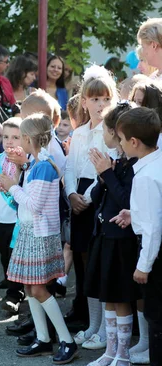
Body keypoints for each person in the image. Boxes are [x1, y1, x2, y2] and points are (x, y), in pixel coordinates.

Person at [0, 113, 78, 364]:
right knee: (30, 288)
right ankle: (42, 339)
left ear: (30, 139)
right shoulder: (36, 163)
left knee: (39, 288)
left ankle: (67, 341)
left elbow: (35, 204)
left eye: (21, 136)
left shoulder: (43, 166)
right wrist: (19, 171)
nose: (18, 142)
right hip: (31, 232)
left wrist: (11, 185)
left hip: (40, 234)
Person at [83, 101, 140, 366]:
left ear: (116, 132)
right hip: (105, 235)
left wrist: (107, 173)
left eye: (105, 129)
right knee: (108, 296)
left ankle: (124, 356)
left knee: (121, 297)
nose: (101, 134)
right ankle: (111, 352)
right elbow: (97, 198)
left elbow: (128, 201)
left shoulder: (133, 165)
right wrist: (103, 176)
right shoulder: (115, 162)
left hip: (123, 240)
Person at [65, 65, 117, 345]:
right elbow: (71, 167)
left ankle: (103, 329)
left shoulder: (112, 133)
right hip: (79, 195)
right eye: (94, 99)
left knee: (98, 263)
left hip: (101, 196)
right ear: (84, 101)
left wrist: (89, 197)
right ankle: (92, 323)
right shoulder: (81, 132)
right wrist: (72, 194)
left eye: (105, 99)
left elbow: (107, 170)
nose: (100, 105)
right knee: (83, 261)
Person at [115, 108, 162, 366]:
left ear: (134, 142)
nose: (118, 144)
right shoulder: (156, 165)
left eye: (120, 138)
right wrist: (136, 215)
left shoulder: (145, 177)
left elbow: (154, 228)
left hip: (156, 255)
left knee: (156, 316)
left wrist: (143, 266)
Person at [0, 118, 22, 299]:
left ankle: (15, 291)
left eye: (15, 137)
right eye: (6, 136)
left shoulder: (25, 163)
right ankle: (9, 278)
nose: (9, 141)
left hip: (16, 216)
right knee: (3, 252)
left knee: (14, 253)